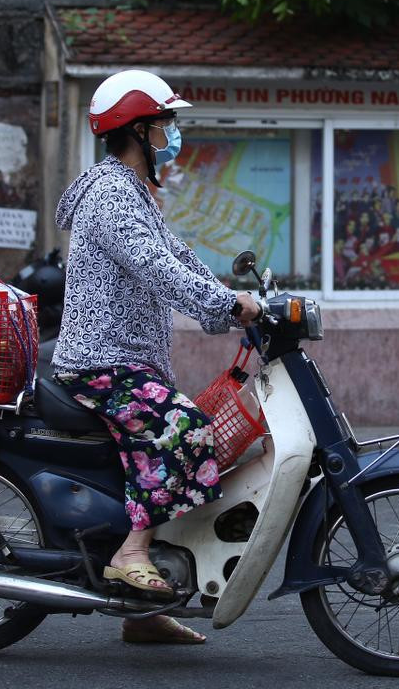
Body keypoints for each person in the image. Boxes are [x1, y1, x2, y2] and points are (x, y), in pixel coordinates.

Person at [51, 69, 261, 644]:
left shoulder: (136, 191)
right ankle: (131, 553)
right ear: (138, 129)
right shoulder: (111, 194)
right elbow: (157, 268)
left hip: (127, 359)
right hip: (100, 361)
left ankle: (141, 614)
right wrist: (225, 305)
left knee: (182, 434)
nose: (174, 133)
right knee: (182, 427)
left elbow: (181, 259)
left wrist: (241, 304)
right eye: (166, 122)